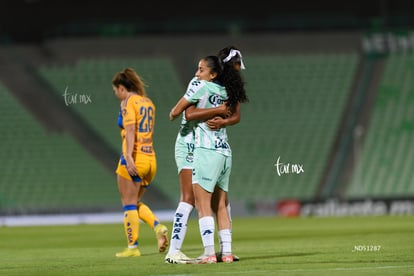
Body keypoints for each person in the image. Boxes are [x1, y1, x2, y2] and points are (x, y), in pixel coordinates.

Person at [165, 46, 247, 264]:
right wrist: (219, 111)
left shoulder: (226, 89)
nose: (238, 71)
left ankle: (222, 250)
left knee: (220, 200)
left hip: (209, 145)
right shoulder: (202, 84)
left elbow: (235, 115)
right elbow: (184, 113)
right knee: (190, 197)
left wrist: (224, 119)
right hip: (189, 142)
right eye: (236, 67)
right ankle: (174, 250)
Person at [112, 67, 169, 257]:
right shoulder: (148, 102)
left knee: (128, 204)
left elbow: (130, 130)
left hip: (134, 157)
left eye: (115, 90)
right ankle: (158, 227)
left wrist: (128, 157)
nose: (116, 94)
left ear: (121, 87)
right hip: (150, 159)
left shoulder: (128, 102)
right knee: (135, 202)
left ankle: (132, 248)